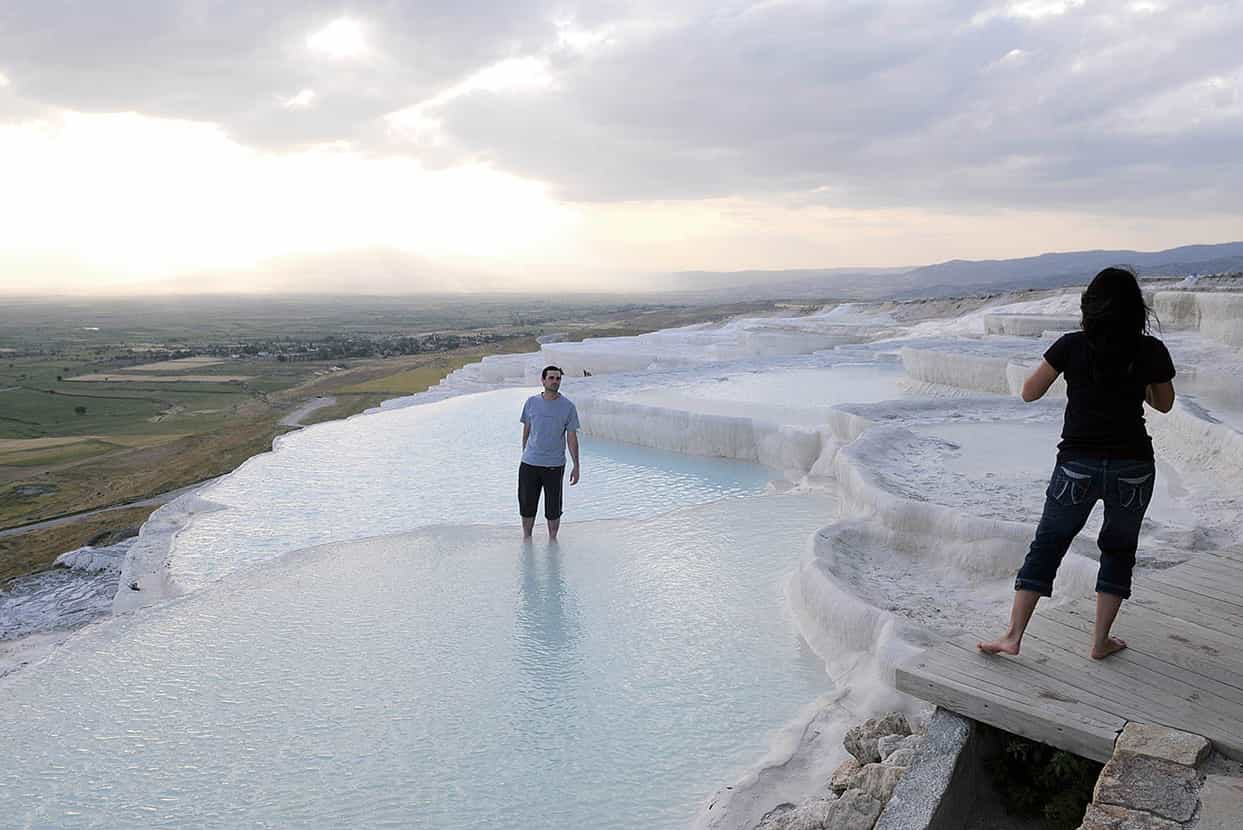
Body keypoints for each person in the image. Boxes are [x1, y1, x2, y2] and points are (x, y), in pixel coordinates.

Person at [979, 267, 1176, 660]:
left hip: (1077, 465)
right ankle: (1100, 642)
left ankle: (1013, 636)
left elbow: (1029, 392)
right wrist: (1136, 385)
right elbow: (1164, 404)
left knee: (1048, 545)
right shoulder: (1149, 350)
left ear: (1091, 306)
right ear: (1136, 309)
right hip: (1133, 466)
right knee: (1118, 550)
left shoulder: (1071, 345)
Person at [519, 365, 581, 541]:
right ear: (543, 380)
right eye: (551, 378)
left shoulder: (568, 407)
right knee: (527, 503)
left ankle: (553, 541)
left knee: (553, 506)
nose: (555, 381)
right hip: (530, 463)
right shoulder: (531, 402)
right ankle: (527, 538)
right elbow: (527, 430)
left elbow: (571, 437)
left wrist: (576, 465)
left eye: (558, 378)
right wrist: (525, 453)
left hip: (554, 464)